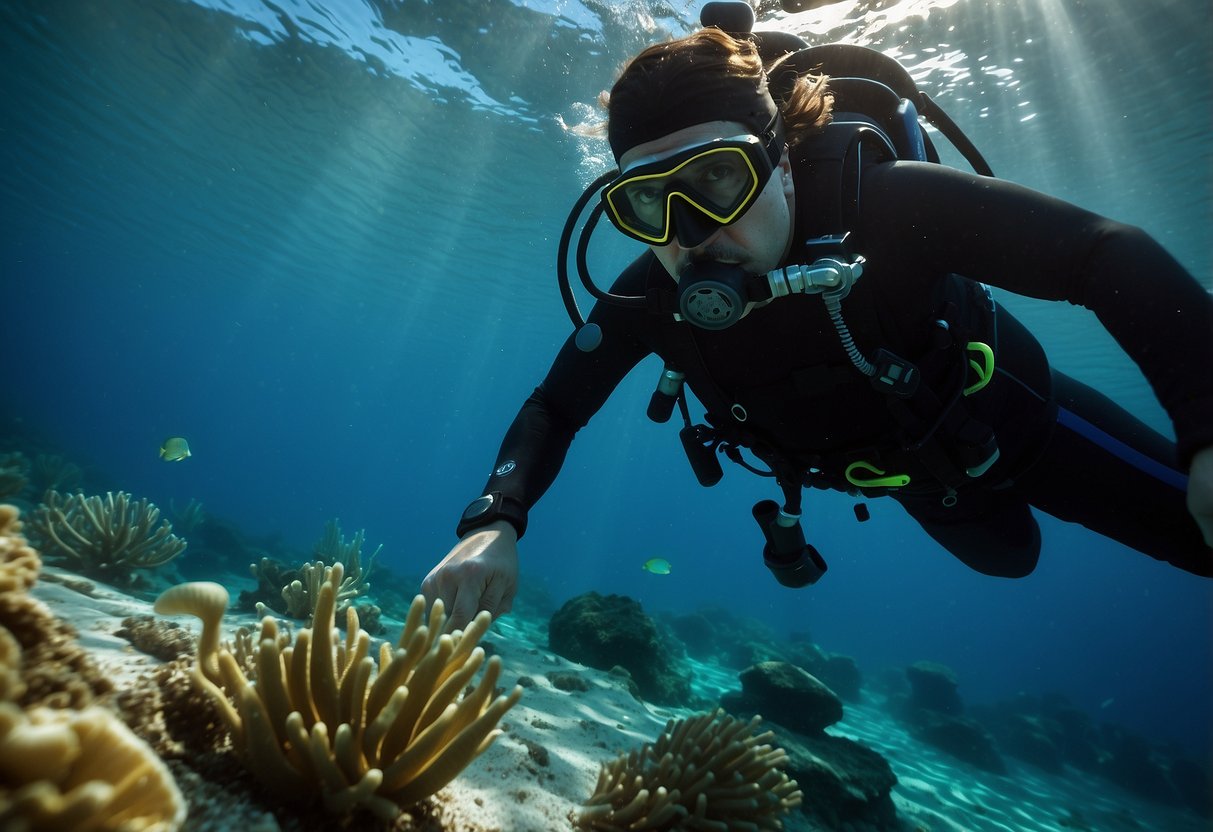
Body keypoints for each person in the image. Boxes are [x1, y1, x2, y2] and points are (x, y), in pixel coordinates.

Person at [422, 19, 1213, 629]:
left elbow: (1103, 254)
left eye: (717, 179)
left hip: (1025, 427)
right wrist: (493, 522)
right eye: (647, 203)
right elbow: (554, 406)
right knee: (1010, 559)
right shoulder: (650, 296)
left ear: (783, 157)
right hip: (920, 484)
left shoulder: (889, 208)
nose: (688, 231)